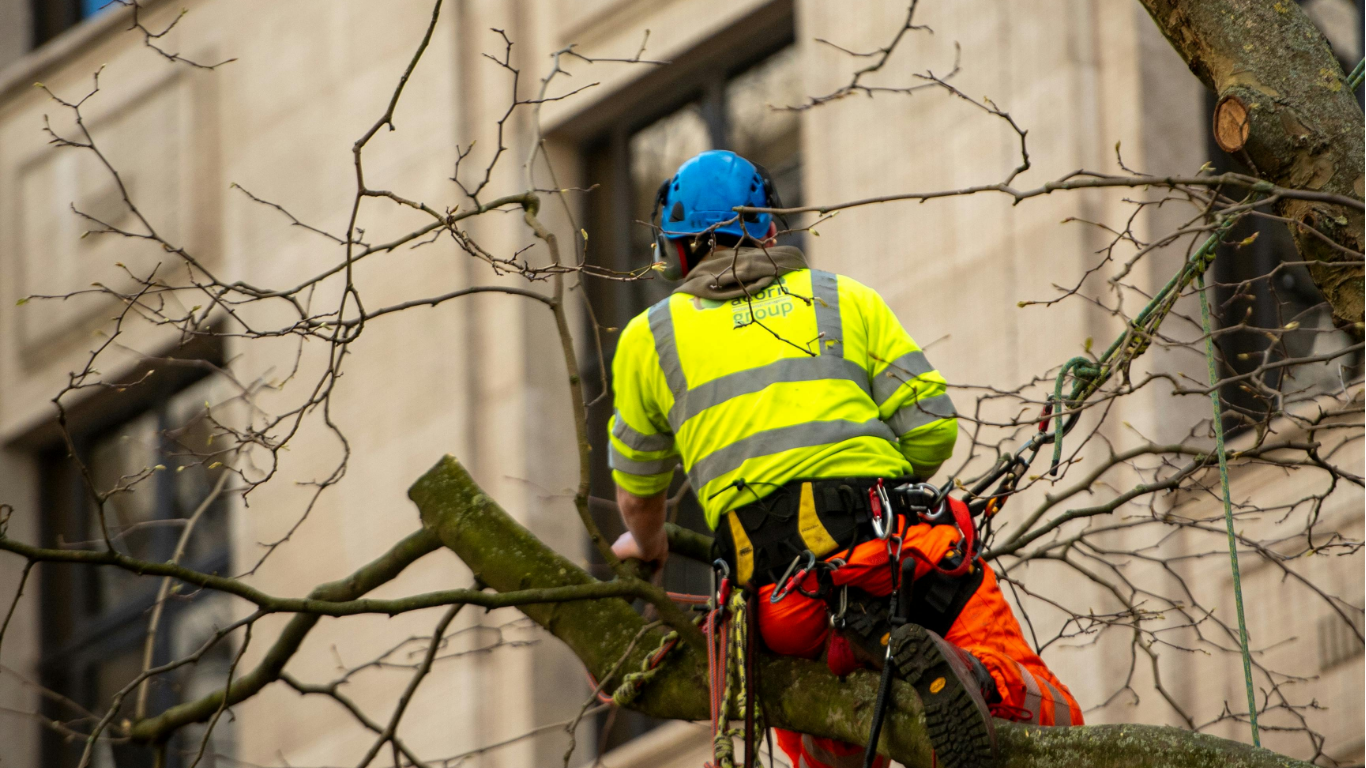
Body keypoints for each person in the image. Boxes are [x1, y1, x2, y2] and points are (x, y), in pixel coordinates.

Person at [608, 150, 1080, 768]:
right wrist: (873, 481)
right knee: (1054, 719)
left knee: (825, 744)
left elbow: (638, 493)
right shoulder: (842, 299)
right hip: (895, 562)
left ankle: (859, 715)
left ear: (681, 251)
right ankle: (978, 680)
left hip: (781, 608)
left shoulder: (649, 338)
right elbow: (934, 428)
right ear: (769, 228)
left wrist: (647, 546)